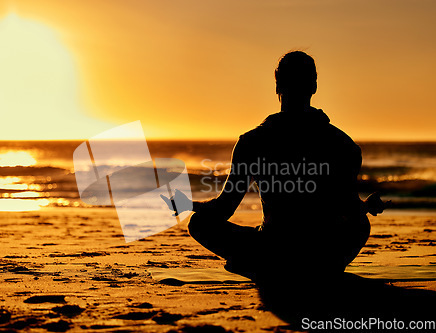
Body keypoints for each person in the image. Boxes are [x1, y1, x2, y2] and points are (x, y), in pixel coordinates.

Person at [162, 51, 388, 280]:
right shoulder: (343, 144)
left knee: (200, 223)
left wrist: (190, 204)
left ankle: (258, 262)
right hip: (323, 249)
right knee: (360, 223)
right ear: (314, 86)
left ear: (277, 83)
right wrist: (366, 206)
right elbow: (347, 208)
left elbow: (224, 208)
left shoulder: (252, 141)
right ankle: (316, 267)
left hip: (272, 246)